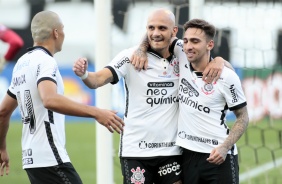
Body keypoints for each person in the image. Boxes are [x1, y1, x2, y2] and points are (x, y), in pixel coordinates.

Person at [73, 9, 226, 184]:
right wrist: (84, 74)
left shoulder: (182, 52)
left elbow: (210, 61)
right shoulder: (130, 57)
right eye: (151, 28)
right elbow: (97, 80)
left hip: (171, 151)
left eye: (162, 28)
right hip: (136, 151)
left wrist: (218, 60)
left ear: (174, 31)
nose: (155, 33)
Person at [0, 11, 124, 184]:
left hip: (31, 158)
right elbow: (49, 99)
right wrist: (97, 112)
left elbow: (3, 111)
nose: (64, 34)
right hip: (49, 156)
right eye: (63, 29)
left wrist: (2, 148)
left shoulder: (21, 63)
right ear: (56, 33)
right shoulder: (45, 61)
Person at [174, 19, 249, 184]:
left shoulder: (227, 76)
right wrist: (141, 51)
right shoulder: (180, 59)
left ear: (210, 45)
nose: (188, 46)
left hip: (217, 157)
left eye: (195, 41)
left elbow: (243, 117)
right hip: (186, 156)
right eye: (186, 41)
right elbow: (156, 35)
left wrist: (224, 148)